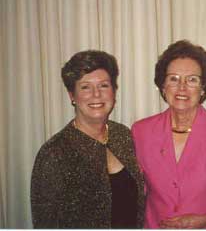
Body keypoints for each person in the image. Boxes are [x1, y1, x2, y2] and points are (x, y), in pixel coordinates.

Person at [131, 40, 206, 229]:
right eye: (173, 78)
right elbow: (135, 195)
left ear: (203, 88)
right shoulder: (141, 132)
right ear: (163, 86)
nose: (182, 87)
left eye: (192, 79)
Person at [31, 50, 144, 228]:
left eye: (103, 85)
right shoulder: (53, 153)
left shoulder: (122, 135)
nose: (96, 94)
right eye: (85, 87)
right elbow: (45, 224)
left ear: (114, 91)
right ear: (72, 96)